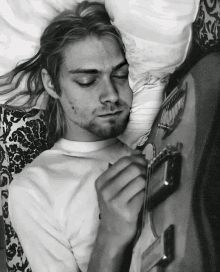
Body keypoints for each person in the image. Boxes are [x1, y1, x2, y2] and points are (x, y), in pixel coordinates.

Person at [3, 2, 148, 272]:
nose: (111, 95)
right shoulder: (33, 189)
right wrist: (110, 236)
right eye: (86, 81)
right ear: (51, 84)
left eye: (120, 74)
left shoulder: (161, 128)